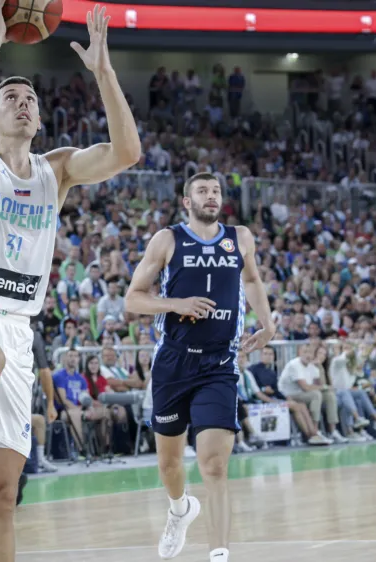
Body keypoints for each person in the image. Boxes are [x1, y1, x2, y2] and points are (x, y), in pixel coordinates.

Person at [0, 4, 140, 560]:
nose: (22, 102)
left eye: (30, 99)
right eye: (10, 97)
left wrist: (104, 72)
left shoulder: (55, 170)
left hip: (15, 329)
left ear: (39, 120)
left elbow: (127, 152)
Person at [123, 172, 275, 562]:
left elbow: (252, 280)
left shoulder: (240, 237)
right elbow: (133, 299)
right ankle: (180, 510)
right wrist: (177, 304)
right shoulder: (167, 239)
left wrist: (268, 323)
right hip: (173, 362)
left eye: (216, 191)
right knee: (169, 463)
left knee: (214, 464)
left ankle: (219, 555)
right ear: (187, 202)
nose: (211, 196)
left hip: (219, 363)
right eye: (203, 191)